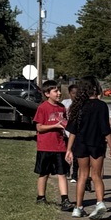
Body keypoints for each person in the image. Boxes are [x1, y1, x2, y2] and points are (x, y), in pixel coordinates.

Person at [65, 75, 111, 219]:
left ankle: (78, 207)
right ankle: (100, 203)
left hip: (81, 144)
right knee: (96, 175)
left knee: (82, 175)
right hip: (97, 144)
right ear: (96, 88)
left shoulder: (78, 106)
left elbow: (72, 130)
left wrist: (68, 149)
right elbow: (106, 129)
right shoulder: (101, 105)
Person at [33, 80, 72, 210]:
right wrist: (54, 126)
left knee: (62, 173)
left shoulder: (61, 107)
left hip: (60, 146)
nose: (59, 93)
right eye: (55, 91)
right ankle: (41, 197)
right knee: (44, 173)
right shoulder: (42, 108)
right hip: (45, 146)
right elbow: (39, 127)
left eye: (59, 90)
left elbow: (65, 123)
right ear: (47, 93)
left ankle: (65, 200)